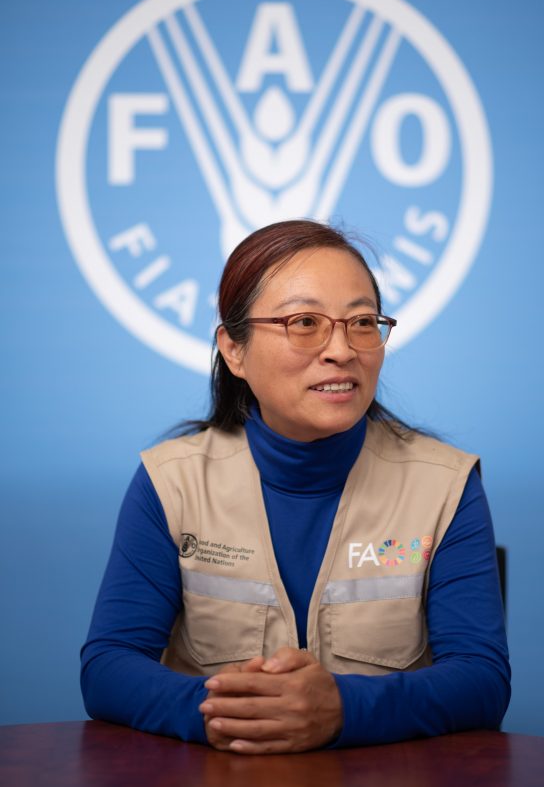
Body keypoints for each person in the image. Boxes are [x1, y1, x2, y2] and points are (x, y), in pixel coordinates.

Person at [81, 219, 510, 754]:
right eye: (305, 322)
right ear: (234, 350)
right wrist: (232, 714)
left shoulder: (445, 485)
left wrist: (343, 709)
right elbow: (109, 666)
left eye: (362, 323)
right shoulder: (172, 482)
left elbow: (481, 679)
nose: (342, 350)